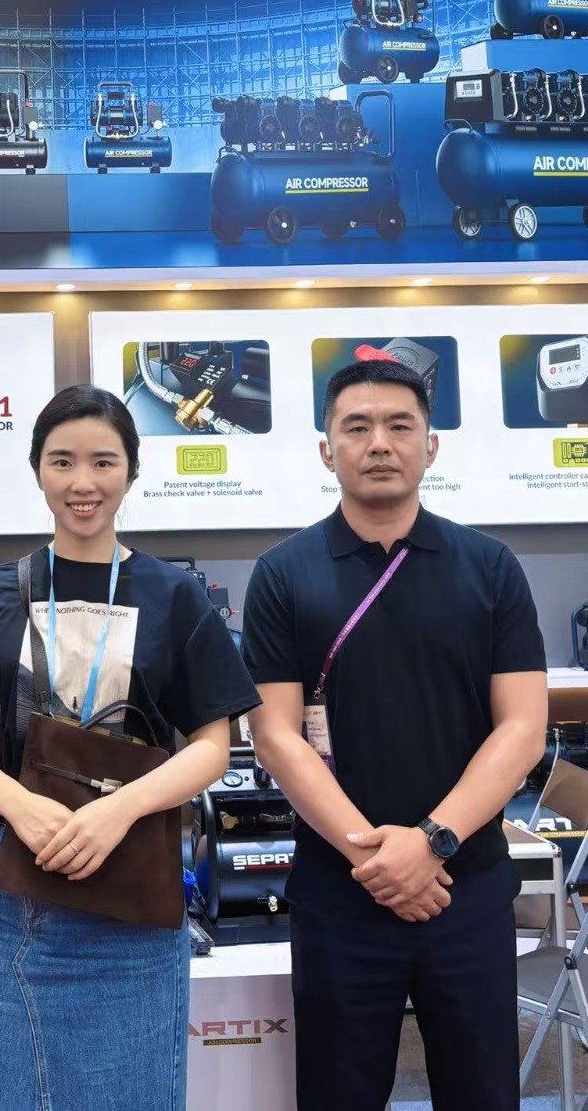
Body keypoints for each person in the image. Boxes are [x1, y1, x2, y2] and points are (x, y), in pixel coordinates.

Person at [0, 384, 259, 1111]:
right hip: (18, 877)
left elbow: (213, 745)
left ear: (131, 472)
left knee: (131, 1088)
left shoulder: (174, 595)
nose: (83, 482)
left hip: (133, 873)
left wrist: (118, 810)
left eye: (103, 462)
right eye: (63, 462)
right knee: (5, 1088)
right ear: (37, 470)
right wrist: (19, 806)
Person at [242, 359, 547, 1111]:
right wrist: (374, 859)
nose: (379, 442)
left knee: (482, 1094)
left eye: (399, 425)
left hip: (465, 885)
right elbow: (275, 736)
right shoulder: (283, 574)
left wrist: (431, 843)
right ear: (327, 451)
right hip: (340, 891)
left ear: (430, 446)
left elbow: (522, 727)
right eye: (357, 427)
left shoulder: (490, 568)